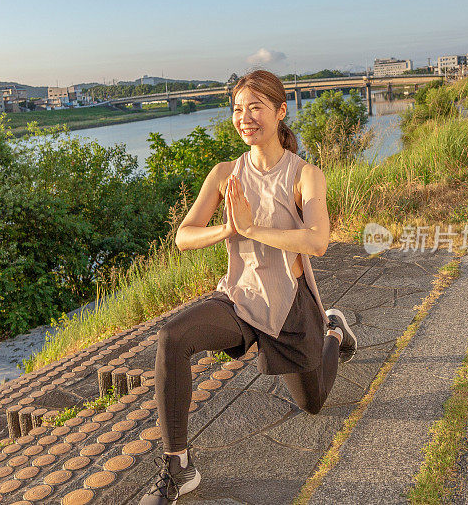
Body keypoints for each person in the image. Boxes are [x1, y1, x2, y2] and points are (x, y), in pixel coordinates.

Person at [139, 69, 358, 504]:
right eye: (238, 109)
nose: (245, 117)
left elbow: (317, 241)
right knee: (172, 336)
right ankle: (178, 467)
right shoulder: (224, 173)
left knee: (313, 404)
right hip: (238, 300)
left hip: (291, 307)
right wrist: (228, 230)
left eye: (255, 107)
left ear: (280, 112)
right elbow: (184, 237)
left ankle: (333, 330)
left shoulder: (305, 175)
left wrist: (253, 228)